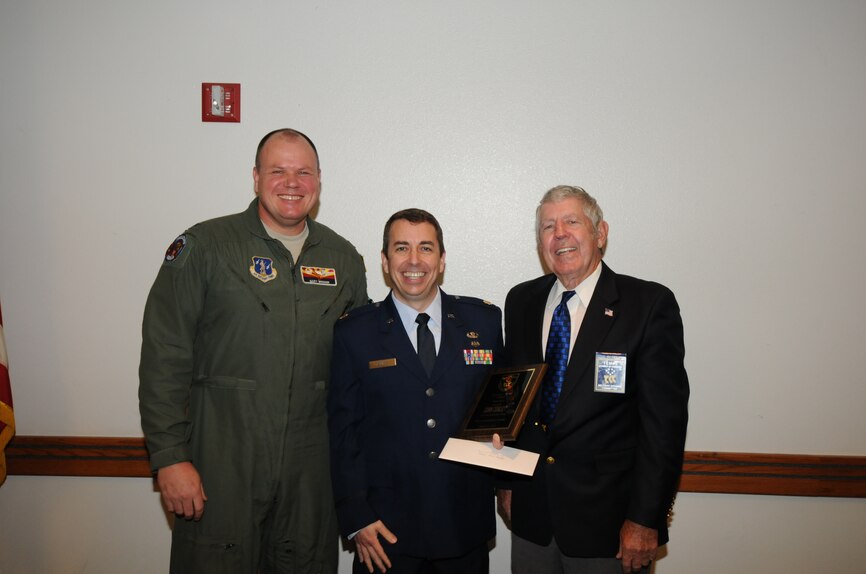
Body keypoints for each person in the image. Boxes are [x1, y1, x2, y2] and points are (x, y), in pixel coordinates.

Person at [139, 128, 369, 574]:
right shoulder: (205, 247)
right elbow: (164, 356)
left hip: (312, 475)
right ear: (255, 177)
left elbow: (359, 374)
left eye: (303, 172)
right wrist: (170, 457)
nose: (292, 182)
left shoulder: (344, 260)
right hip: (221, 465)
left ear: (319, 180)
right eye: (278, 170)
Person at [495, 186, 689, 574]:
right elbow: (512, 400)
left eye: (571, 221)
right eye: (548, 226)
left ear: (600, 233)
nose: (559, 234)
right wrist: (507, 483)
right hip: (533, 517)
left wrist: (645, 519)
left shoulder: (647, 305)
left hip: (612, 528)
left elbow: (663, 426)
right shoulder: (521, 301)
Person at [328, 209, 503, 574]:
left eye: (425, 248)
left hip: (463, 525)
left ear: (440, 261)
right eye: (401, 248)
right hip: (384, 533)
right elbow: (342, 432)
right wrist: (357, 516)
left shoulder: (484, 322)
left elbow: (501, 407)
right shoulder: (354, 332)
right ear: (384, 260)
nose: (413, 260)